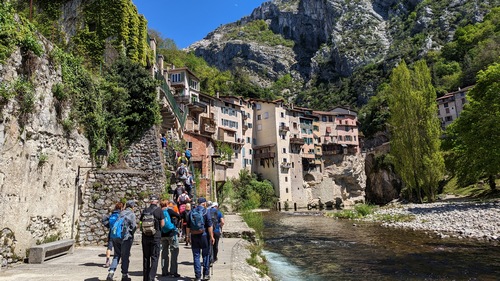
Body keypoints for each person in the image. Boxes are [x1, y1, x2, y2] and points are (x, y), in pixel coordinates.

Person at [106, 200, 137, 281]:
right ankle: (124, 275)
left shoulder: (121, 212)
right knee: (125, 256)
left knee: (116, 255)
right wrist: (131, 234)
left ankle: (111, 273)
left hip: (115, 236)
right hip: (125, 238)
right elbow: (134, 226)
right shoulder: (131, 214)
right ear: (132, 206)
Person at [186, 197, 214, 281]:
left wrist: (187, 236)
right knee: (205, 255)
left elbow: (188, 226)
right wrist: (212, 236)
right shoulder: (206, 212)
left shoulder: (191, 212)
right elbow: (209, 225)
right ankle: (206, 275)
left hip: (194, 235)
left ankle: (197, 276)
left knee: (196, 256)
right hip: (204, 236)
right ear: (204, 203)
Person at [140, 195, 165, 281]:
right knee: (154, 257)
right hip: (155, 236)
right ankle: (151, 277)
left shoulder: (145, 210)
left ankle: (145, 278)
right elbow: (162, 223)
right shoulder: (159, 210)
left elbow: (140, 222)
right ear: (157, 201)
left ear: (150, 201)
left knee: (146, 257)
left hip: (145, 237)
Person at [160, 199, 180, 278]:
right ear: (167, 204)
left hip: (162, 234)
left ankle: (164, 271)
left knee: (164, 253)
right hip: (171, 233)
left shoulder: (158, 212)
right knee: (174, 252)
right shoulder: (169, 211)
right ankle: (173, 271)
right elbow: (179, 216)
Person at [102, 202, 123, 268]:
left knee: (109, 247)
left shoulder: (112, 214)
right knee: (122, 246)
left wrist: (108, 226)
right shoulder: (121, 214)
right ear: (121, 208)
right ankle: (122, 260)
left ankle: (107, 261)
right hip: (119, 233)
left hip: (112, 233)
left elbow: (104, 219)